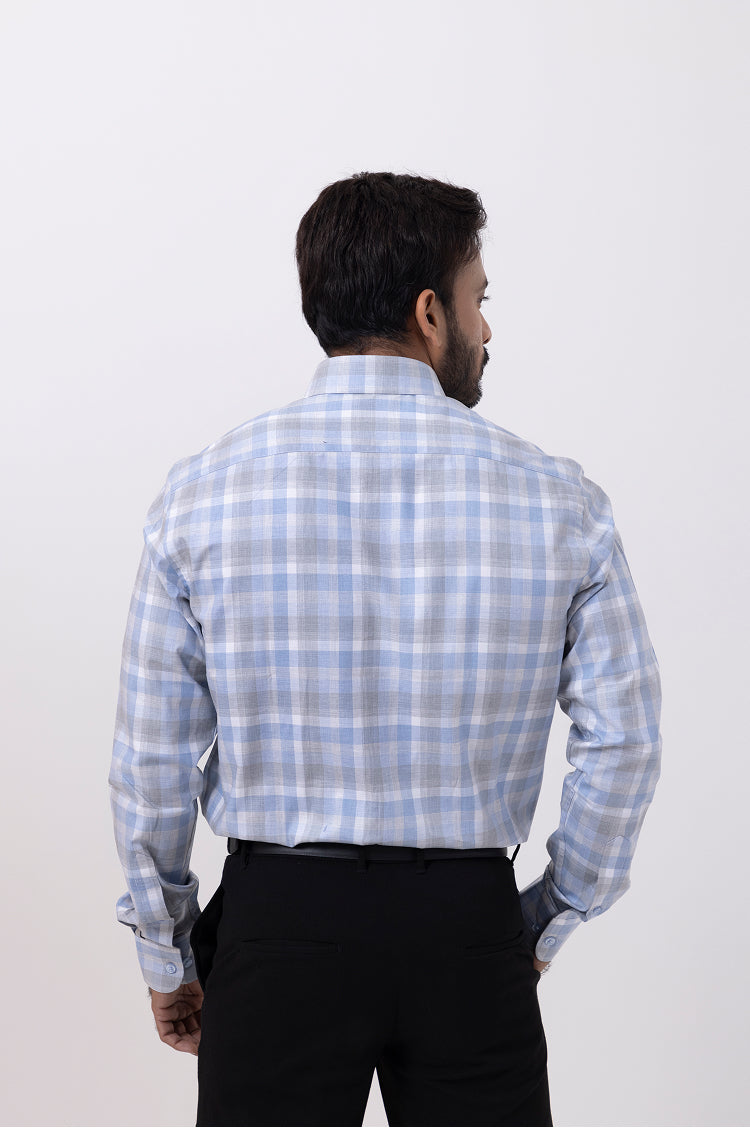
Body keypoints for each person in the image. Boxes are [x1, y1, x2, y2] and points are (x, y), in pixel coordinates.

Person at [109, 171, 662, 1127]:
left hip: (278, 925)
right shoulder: (560, 501)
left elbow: (150, 758)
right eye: (479, 299)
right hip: (467, 929)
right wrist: (541, 921)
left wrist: (167, 951)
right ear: (429, 313)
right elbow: (626, 742)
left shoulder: (203, 494)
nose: (487, 328)